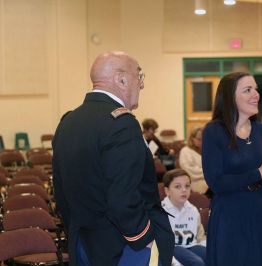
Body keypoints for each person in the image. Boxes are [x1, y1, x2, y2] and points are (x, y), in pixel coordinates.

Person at [52, 51, 174, 266]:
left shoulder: (69, 121)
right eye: (140, 76)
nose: (142, 85)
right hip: (123, 246)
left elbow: (61, 191)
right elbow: (123, 195)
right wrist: (143, 238)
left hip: (83, 242)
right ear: (122, 79)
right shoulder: (121, 123)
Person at [202, 72, 262, 266]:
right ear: (230, 97)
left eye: (255, 89)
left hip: (261, 210)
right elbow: (216, 182)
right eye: (247, 90)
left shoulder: (261, 131)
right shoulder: (214, 131)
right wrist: (258, 172)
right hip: (230, 214)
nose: (256, 94)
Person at [161, 169, 207, 266]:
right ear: (167, 191)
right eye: (178, 186)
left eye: (187, 186)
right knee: (197, 262)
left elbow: (200, 236)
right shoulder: (161, 212)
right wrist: (174, 262)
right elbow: (159, 244)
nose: (184, 190)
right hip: (172, 248)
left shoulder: (193, 210)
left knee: (213, 256)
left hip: (191, 246)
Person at [178, 127, 208, 194]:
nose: (202, 141)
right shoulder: (185, 151)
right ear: (192, 139)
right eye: (199, 139)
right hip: (195, 183)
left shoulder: (207, 151)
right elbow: (190, 171)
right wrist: (209, 172)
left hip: (208, 181)